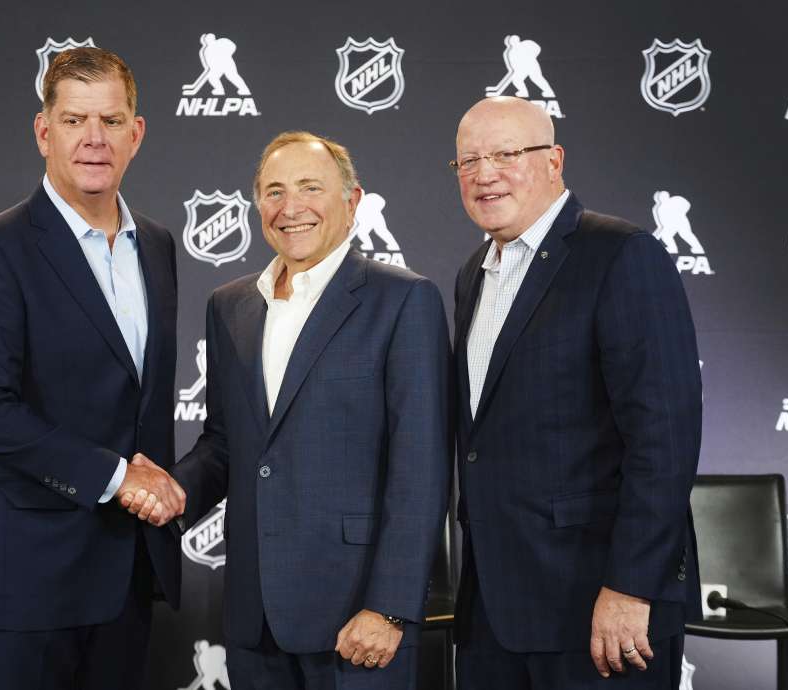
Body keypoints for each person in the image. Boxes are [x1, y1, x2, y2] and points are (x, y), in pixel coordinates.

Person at [168, 131, 450, 690]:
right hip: (256, 615)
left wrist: (389, 607)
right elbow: (227, 444)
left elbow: (421, 468)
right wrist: (170, 494)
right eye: (273, 191)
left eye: (310, 188)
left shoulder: (403, 300)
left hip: (358, 618)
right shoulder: (230, 306)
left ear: (352, 201)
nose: (290, 208)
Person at [0, 46, 184, 689]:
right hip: (25, 581)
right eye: (76, 120)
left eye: (110, 121)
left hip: (128, 576)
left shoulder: (158, 246)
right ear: (43, 131)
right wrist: (115, 475)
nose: (94, 139)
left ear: (136, 134)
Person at [449, 96, 702, 689]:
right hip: (494, 611)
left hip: (600, 610)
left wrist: (631, 585)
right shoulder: (472, 274)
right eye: (468, 161)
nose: (484, 174)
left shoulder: (620, 254)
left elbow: (664, 437)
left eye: (506, 154)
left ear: (554, 160)